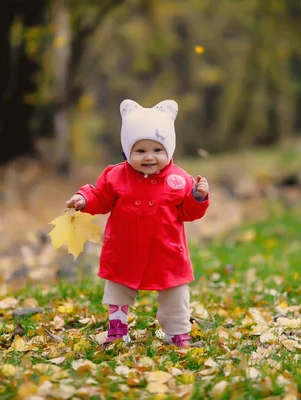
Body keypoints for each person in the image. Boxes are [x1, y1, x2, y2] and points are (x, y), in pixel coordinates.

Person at [66, 99, 210, 348]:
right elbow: (100, 198)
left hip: (167, 251)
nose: (149, 157)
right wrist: (83, 199)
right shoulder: (115, 176)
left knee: (175, 296)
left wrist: (198, 197)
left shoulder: (180, 179)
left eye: (157, 150)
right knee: (118, 290)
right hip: (125, 249)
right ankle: (118, 328)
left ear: (169, 150)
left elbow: (188, 213)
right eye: (140, 151)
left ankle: (177, 332)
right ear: (127, 151)